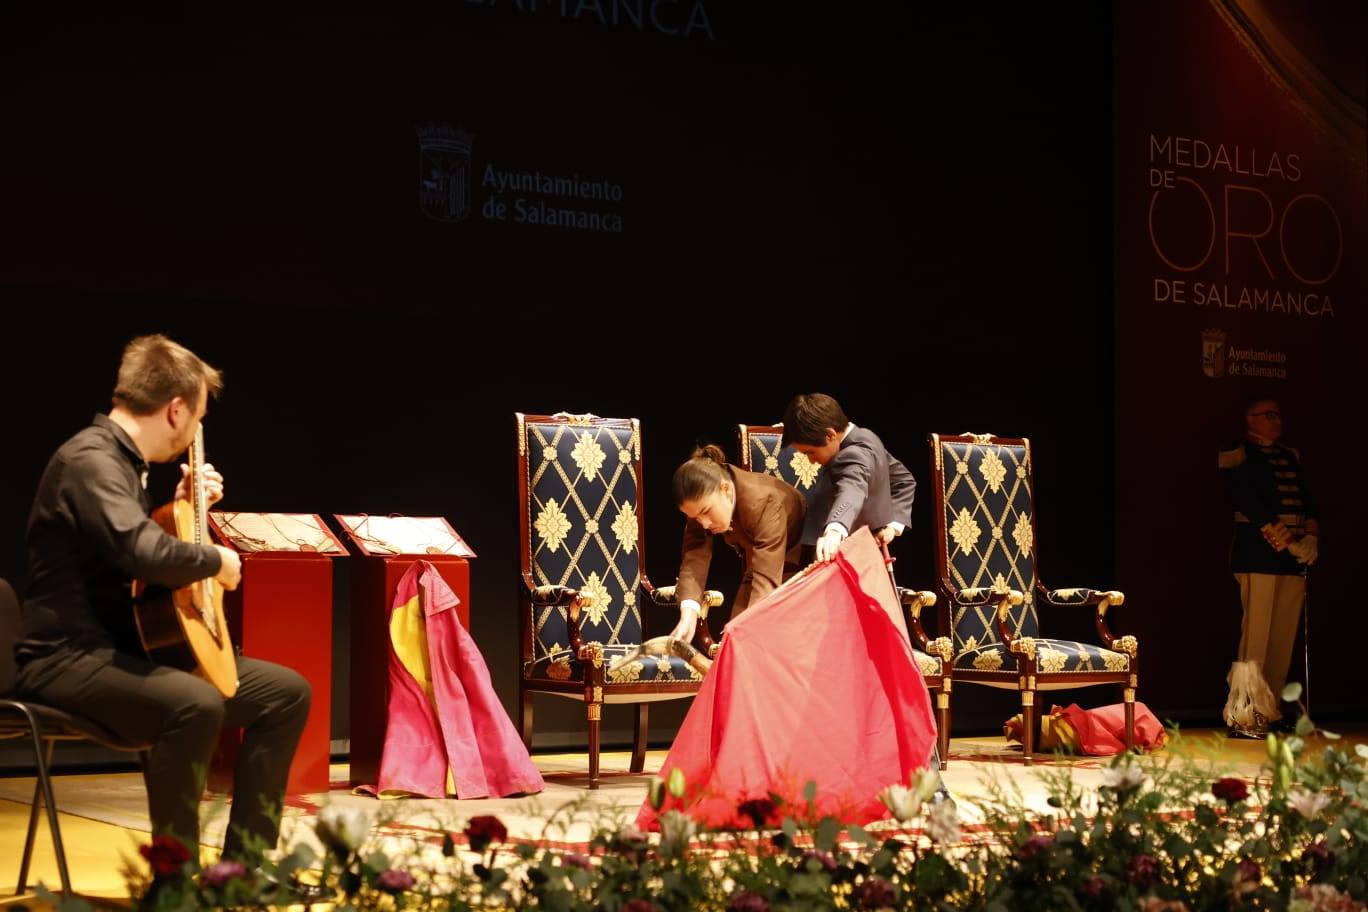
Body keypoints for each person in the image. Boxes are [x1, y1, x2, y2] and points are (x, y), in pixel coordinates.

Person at [15, 334, 311, 858]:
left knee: (285, 694)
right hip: (66, 658)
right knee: (194, 703)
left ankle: (242, 866)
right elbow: (141, 552)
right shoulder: (91, 459)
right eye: (197, 418)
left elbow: (130, 554)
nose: (195, 430)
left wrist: (178, 510)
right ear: (175, 410)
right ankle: (173, 883)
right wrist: (215, 560)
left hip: (123, 651)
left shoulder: (121, 465)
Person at [1219, 398, 1318, 737]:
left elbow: (1306, 500)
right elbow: (1246, 500)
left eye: (1278, 414)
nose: (1277, 421)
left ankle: (1269, 710)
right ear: (1250, 419)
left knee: (1281, 637)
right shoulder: (1237, 452)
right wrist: (1289, 541)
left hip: (1292, 555)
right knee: (1257, 636)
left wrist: (1311, 539)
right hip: (1257, 550)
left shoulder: (1290, 455)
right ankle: (1244, 713)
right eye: (1269, 415)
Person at [668, 444, 806, 644]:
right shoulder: (700, 503)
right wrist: (689, 611)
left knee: (752, 641)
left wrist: (750, 634)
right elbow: (695, 552)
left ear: (725, 489)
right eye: (696, 518)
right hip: (758, 565)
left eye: (707, 512)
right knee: (733, 641)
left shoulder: (764, 502)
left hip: (801, 570)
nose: (704, 523)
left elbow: (766, 581)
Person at [780, 393, 916, 563]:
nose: (810, 460)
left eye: (810, 452)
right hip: (830, 545)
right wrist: (894, 524)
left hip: (840, 553)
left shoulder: (856, 454)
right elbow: (904, 481)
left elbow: (852, 489)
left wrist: (835, 530)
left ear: (830, 435)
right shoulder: (866, 437)